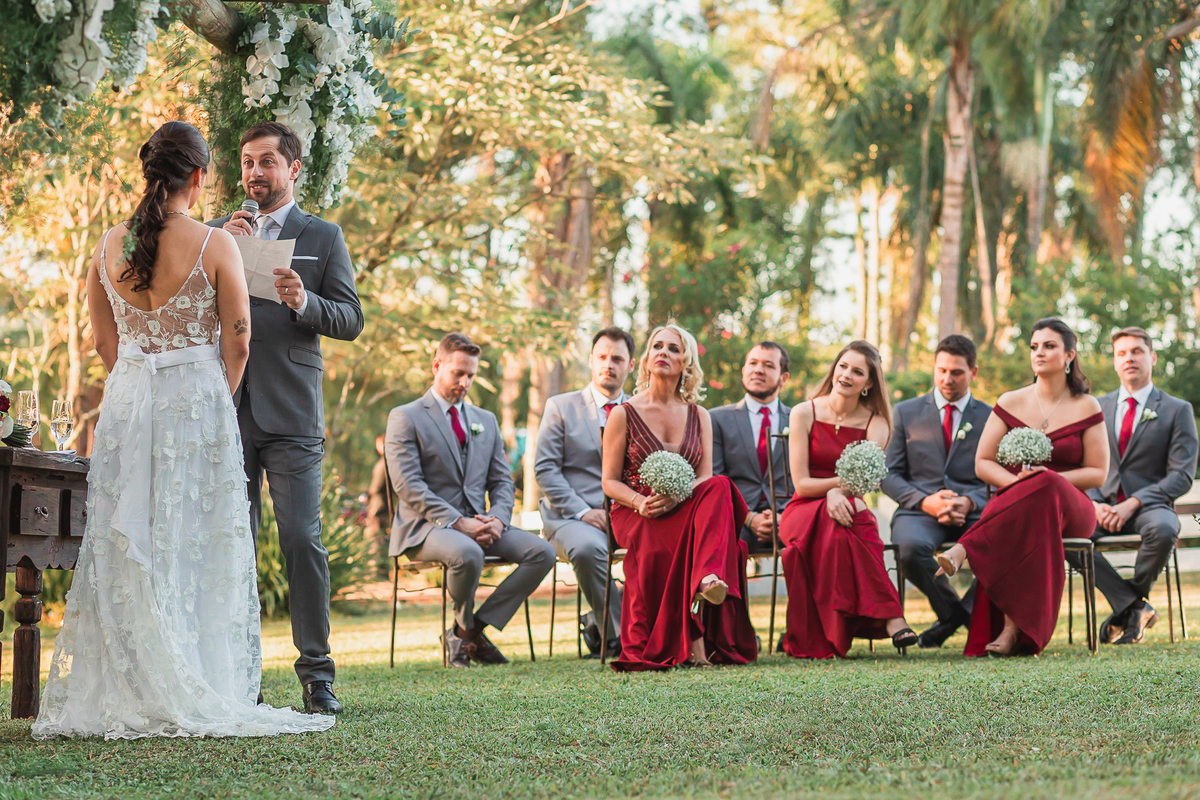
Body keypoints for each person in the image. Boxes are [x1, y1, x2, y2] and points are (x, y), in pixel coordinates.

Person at [33, 122, 334, 739]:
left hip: (128, 408)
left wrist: (139, 390)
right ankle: (198, 676)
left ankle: (130, 680)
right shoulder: (214, 243)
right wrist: (202, 396)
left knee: (131, 537)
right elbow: (239, 341)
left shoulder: (107, 244)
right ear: (199, 178)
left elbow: (104, 344)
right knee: (194, 538)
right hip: (196, 406)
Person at [211, 122, 364, 714]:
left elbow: (350, 317)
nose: (255, 173)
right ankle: (237, 673)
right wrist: (216, 249)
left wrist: (306, 303)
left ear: (293, 169)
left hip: (293, 411)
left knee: (302, 540)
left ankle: (316, 675)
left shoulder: (322, 236)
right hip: (226, 406)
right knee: (233, 543)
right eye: (248, 161)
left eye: (268, 161)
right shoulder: (219, 232)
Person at [935, 318, 1108, 657]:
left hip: (1073, 510)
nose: (1039, 352)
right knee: (1032, 507)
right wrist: (1019, 484)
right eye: (1034, 346)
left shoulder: (1088, 405)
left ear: (1069, 355)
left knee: (1043, 485)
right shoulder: (1011, 401)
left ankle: (964, 549)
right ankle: (1014, 628)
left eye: (1049, 346)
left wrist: (1048, 480)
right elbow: (983, 463)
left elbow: (1098, 473)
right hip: (1021, 508)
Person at [386, 333, 556, 668]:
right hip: (425, 529)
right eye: (458, 374)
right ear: (437, 366)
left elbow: (501, 481)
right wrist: (457, 521)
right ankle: (466, 632)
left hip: (481, 523)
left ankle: (468, 631)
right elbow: (407, 485)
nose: (465, 382)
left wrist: (498, 518)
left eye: (471, 375)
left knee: (543, 552)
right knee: (467, 552)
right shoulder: (405, 416)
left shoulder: (486, 420)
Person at [601, 323, 758, 670]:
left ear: (686, 363)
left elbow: (703, 477)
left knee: (719, 485)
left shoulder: (699, 415)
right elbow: (609, 483)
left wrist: (677, 497)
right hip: (636, 509)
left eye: (673, 349)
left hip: (683, 505)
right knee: (660, 542)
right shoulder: (623, 414)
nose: (663, 353)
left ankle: (706, 580)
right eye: (657, 346)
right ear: (645, 359)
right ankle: (697, 635)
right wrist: (642, 502)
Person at [778, 341, 917, 658]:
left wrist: (838, 493)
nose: (846, 375)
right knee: (850, 518)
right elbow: (800, 483)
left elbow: (864, 481)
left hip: (849, 504)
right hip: (802, 509)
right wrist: (832, 490)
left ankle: (836, 635)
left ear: (868, 383)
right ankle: (892, 616)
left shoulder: (877, 423)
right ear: (834, 369)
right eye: (843, 366)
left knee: (851, 521)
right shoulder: (804, 412)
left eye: (857, 372)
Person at [1080, 327, 1197, 644]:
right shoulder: (1094, 408)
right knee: (1067, 535)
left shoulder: (1177, 410)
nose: (1129, 358)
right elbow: (1083, 464)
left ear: (1152, 357)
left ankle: (1127, 607)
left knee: (1163, 529)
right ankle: (1135, 607)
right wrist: (1093, 502)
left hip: (1150, 508)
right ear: (1115, 362)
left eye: (1136, 351)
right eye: (1121, 353)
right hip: (1102, 507)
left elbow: (1181, 475)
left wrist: (1134, 502)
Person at [882, 335, 990, 648]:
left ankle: (953, 619)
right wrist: (924, 501)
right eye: (941, 370)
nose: (947, 378)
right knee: (909, 548)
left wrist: (970, 500)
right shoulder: (904, 412)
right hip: (919, 510)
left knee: (1002, 546)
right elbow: (888, 474)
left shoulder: (991, 416)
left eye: (957, 372)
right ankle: (959, 616)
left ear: (973, 372)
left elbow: (998, 479)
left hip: (973, 510)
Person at [534, 327, 635, 657]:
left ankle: (609, 622)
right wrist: (582, 511)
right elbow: (545, 470)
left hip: (627, 515)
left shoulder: (639, 410)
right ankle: (622, 637)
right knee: (589, 548)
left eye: (618, 358)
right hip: (570, 518)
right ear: (591, 361)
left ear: (630, 366)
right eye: (602, 357)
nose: (609, 364)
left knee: (664, 546)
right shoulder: (560, 406)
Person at [711, 342, 793, 557]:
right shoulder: (717, 419)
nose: (758, 369)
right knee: (722, 546)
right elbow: (716, 479)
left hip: (790, 518)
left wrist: (786, 517)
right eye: (753, 363)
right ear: (744, 370)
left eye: (768, 365)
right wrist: (748, 518)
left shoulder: (799, 419)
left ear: (784, 378)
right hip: (737, 518)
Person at [366, 434, 393, 579]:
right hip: (383, 504)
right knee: (381, 537)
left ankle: (378, 572)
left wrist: (369, 495)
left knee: (377, 537)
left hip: (379, 505)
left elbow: (376, 487)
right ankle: (380, 570)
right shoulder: (389, 462)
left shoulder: (384, 463)